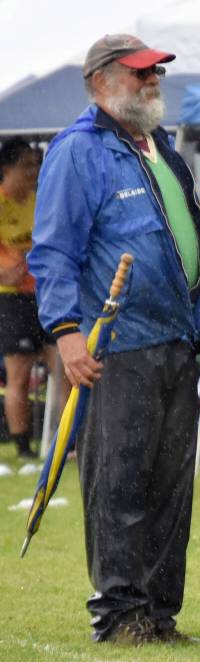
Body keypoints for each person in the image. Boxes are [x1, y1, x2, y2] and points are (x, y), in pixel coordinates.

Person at [29, 34, 200, 644]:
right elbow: (54, 252)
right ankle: (118, 613)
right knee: (119, 483)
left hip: (177, 342)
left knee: (170, 487)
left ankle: (159, 615)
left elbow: (193, 244)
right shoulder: (78, 151)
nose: (152, 80)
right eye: (139, 73)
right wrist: (66, 333)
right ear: (100, 82)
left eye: (155, 71)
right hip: (116, 347)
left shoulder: (161, 147)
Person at [0, 138, 52, 459]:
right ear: (6, 170)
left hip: (45, 294)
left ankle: (67, 441)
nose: (33, 171)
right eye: (27, 165)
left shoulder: (41, 200)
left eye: (36, 164)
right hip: (12, 301)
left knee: (63, 365)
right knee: (18, 374)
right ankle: (22, 447)